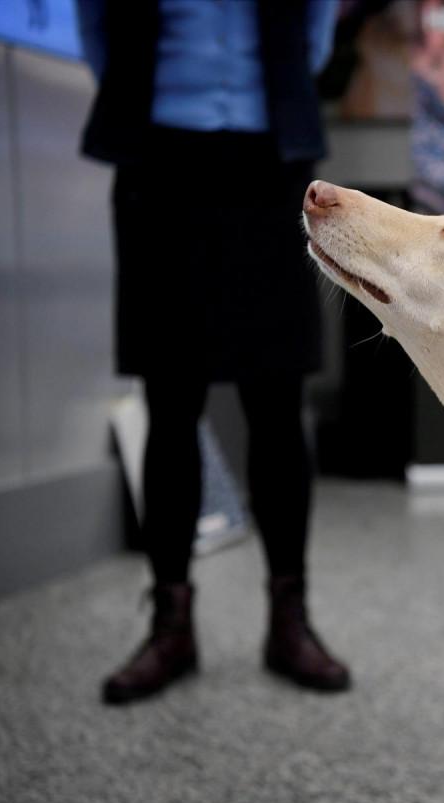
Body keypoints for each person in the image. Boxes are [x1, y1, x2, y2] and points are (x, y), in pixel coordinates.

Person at [76, 0, 351, 704]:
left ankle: (290, 620)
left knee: (278, 396)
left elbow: (314, 24)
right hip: (159, 157)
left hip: (270, 158)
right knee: (169, 400)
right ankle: (171, 622)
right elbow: (99, 25)